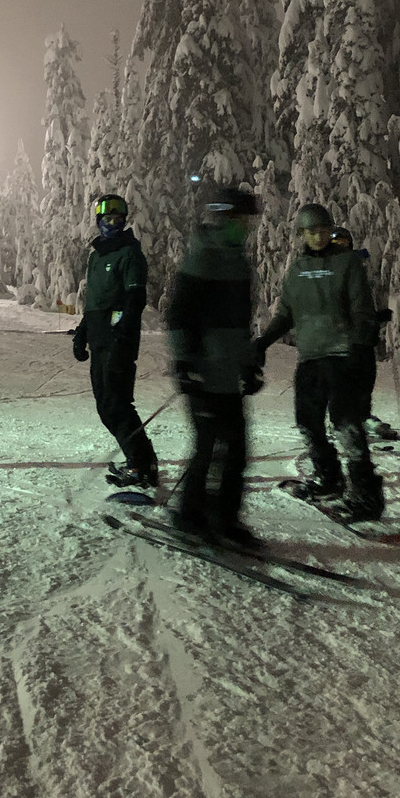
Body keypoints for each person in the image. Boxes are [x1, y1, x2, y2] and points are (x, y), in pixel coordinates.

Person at [252, 203, 386, 521]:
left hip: (343, 356)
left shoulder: (347, 264)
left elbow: (362, 310)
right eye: (312, 232)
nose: (318, 236)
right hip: (311, 357)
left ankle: (365, 494)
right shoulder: (297, 270)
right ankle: (329, 479)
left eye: (323, 231)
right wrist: (262, 342)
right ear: (301, 234)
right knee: (307, 422)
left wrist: (358, 347)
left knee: (346, 424)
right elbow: (285, 314)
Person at [165, 187, 264, 549]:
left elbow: (239, 326)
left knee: (237, 448)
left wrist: (248, 364)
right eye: (239, 220)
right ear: (223, 217)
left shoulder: (238, 262)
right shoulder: (202, 256)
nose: (245, 227)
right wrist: (184, 362)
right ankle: (189, 515)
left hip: (228, 374)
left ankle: (225, 518)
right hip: (204, 371)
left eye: (246, 221)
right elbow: (178, 314)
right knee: (208, 446)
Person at [72, 194, 159, 489]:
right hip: (99, 339)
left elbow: (135, 297)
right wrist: (83, 331)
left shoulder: (129, 253)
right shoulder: (96, 255)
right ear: (98, 221)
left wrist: (124, 330)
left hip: (118, 340)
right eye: (107, 218)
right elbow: (96, 300)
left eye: (117, 219)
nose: (112, 223)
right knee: (106, 405)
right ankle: (142, 461)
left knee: (116, 404)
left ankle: (140, 466)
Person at [330, 225, 396, 440]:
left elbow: (362, 304)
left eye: (343, 243)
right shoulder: (330, 269)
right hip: (342, 338)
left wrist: (377, 316)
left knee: (366, 378)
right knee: (342, 380)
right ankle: (341, 420)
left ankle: (363, 416)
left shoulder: (359, 266)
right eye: (336, 243)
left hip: (364, 336)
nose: (341, 247)